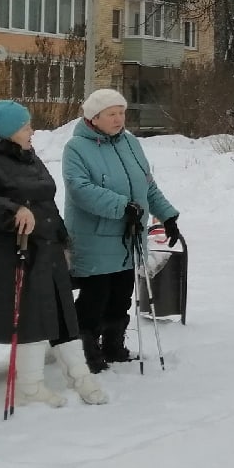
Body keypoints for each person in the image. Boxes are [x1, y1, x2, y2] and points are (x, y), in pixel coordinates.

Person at [0, 101, 107, 406]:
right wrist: (13, 210)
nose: (32, 130)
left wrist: (62, 238)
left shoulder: (27, 157)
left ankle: (80, 376)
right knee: (31, 317)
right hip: (3, 252)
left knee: (64, 314)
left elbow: (45, 203)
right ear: (7, 130)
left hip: (43, 246)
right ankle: (29, 386)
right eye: (25, 126)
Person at [63, 88, 182, 372]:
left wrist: (167, 216)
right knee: (95, 297)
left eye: (121, 113)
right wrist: (121, 206)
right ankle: (85, 351)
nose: (119, 119)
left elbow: (147, 185)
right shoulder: (76, 148)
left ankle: (114, 345)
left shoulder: (130, 143)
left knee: (121, 294)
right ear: (94, 117)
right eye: (111, 114)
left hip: (128, 238)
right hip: (94, 237)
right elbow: (80, 190)